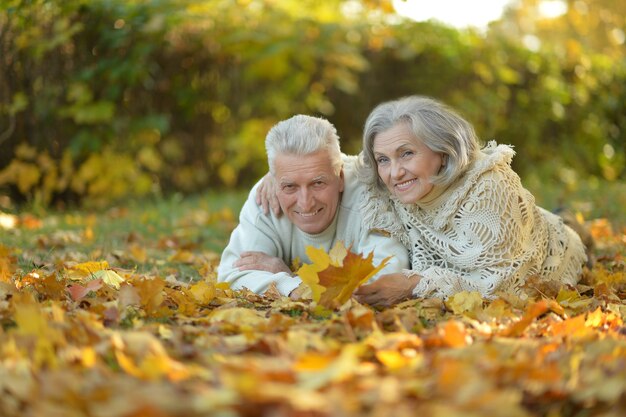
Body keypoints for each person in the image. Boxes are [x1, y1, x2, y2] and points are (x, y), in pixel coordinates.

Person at [352, 95, 588, 307]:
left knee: (572, 230)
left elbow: (503, 287)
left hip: (553, 251)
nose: (394, 173)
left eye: (406, 153)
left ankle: (575, 223)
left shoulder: (490, 188)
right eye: (383, 160)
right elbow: (334, 166)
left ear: (442, 152)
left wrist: (415, 285)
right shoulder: (396, 193)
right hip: (522, 222)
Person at [217, 114, 409, 297]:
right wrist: (292, 286)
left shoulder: (370, 195)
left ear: (340, 177)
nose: (305, 203)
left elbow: (386, 280)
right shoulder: (266, 198)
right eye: (290, 186)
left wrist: (291, 280)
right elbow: (232, 275)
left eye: (318, 183)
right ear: (274, 183)